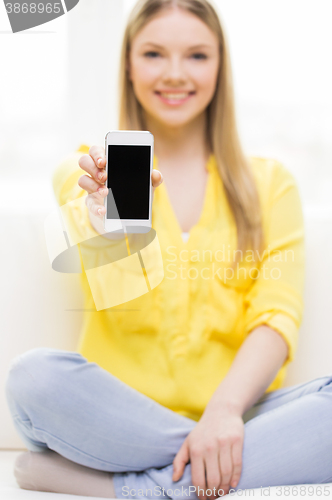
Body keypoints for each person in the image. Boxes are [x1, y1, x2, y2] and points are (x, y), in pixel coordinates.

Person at [5, 0, 332, 499]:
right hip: (114, 420)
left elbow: (276, 317)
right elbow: (103, 258)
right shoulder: (85, 171)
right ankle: (214, 460)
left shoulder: (270, 184)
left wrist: (223, 413)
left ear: (220, 66)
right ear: (129, 65)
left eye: (197, 56)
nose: (175, 74)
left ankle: (121, 487)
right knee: (34, 377)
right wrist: (103, 217)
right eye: (155, 54)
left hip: (235, 413)